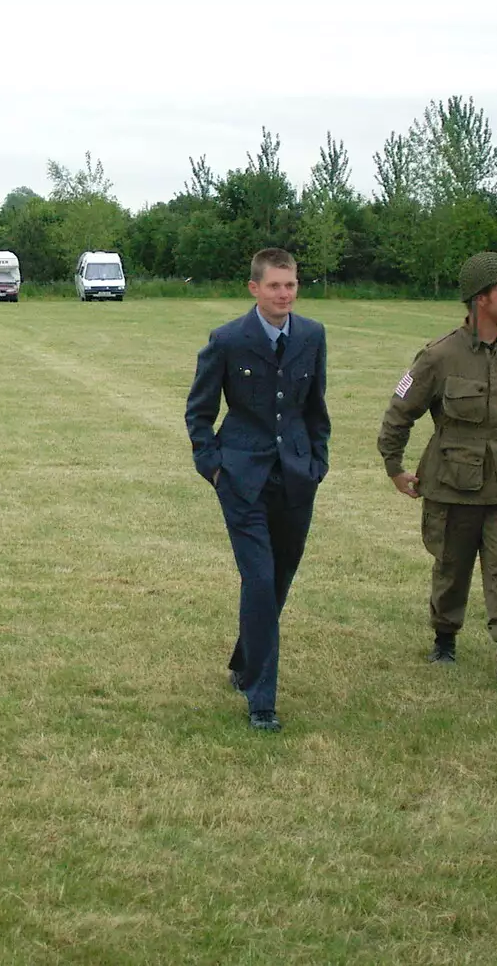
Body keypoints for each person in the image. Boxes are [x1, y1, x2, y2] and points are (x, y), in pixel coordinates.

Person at [377, 251, 497, 688]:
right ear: (480, 298)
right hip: (454, 482)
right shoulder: (436, 357)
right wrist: (394, 466)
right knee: (452, 567)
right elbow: (399, 412)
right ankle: (444, 639)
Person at [185, 248, 330, 732]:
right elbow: (199, 412)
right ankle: (261, 699)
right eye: (274, 286)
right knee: (260, 580)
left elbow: (315, 410)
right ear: (254, 289)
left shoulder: (312, 335)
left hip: (295, 477)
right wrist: (214, 468)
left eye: (290, 285)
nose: (284, 294)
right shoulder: (227, 340)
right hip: (242, 479)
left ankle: (245, 662)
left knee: (280, 578)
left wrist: (317, 463)